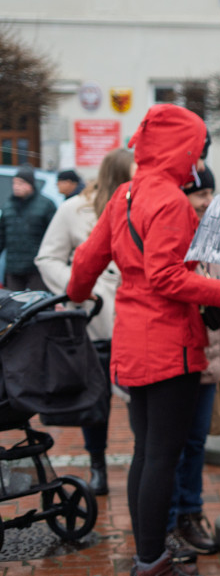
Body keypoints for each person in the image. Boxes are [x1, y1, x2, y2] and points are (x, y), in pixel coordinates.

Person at [67, 103, 220, 576]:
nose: (198, 159)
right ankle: (151, 565)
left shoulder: (124, 192)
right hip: (168, 345)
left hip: (130, 340)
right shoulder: (169, 200)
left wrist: (81, 294)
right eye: (197, 148)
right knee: (160, 457)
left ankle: (147, 557)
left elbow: (86, 262)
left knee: (147, 455)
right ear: (182, 148)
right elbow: (169, 277)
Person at [35, 147, 134, 495]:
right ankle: (98, 466)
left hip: (134, 320)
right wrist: (77, 288)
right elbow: (48, 258)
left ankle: (142, 466)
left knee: (139, 399)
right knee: (96, 400)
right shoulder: (73, 210)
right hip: (91, 321)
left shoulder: (143, 208)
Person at [164, 165, 220, 560]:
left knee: (195, 443)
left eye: (209, 194)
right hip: (178, 359)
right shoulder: (173, 236)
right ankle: (168, 522)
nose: (205, 202)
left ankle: (190, 513)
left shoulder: (214, 239)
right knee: (170, 448)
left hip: (209, 360)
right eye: (199, 194)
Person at [1, 165, 56, 291]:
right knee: (13, 305)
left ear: (30, 184)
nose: (16, 186)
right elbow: (1, 236)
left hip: (37, 267)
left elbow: (54, 237)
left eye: (20, 183)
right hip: (13, 268)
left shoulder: (46, 205)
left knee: (39, 304)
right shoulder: (8, 206)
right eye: (14, 183)